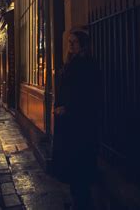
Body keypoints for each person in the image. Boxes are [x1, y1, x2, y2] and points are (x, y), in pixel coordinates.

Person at [53, 28, 100, 210]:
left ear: (83, 45)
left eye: (75, 42)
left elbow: (86, 94)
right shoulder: (72, 62)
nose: (71, 45)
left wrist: (67, 108)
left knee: (79, 166)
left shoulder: (87, 64)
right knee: (74, 167)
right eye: (69, 42)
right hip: (69, 122)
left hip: (79, 123)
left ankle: (81, 203)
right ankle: (76, 201)